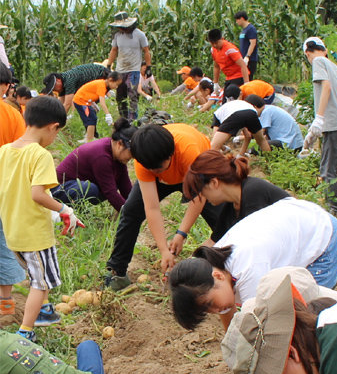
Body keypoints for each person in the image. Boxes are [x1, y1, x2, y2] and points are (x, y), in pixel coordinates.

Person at [169, 196, 337, 330]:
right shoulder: (213, 266)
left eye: (211, 304)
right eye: (209, 311)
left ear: (217, 276)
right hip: (296, 222)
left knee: (308, 318)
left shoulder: (248, 271)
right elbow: (229, 320)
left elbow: (263, 331)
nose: (216, 310)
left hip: (323, 237)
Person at [0, 96, 83, 341]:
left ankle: (44, 309)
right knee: (41, 281)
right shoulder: (40, 155)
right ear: (53, 127)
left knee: (38, 274)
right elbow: (38, 194)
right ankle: (27, 330)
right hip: (34, 233)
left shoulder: (4, 151)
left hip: (12, 231)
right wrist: (63, 209)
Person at [104, 123, 221, 289]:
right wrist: (164, 250)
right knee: (131, 211)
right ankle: (117, 271)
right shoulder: (144, 160)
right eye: (152, 169)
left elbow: (199, 197)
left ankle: (224, 269)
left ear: (170, 155)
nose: (156, 173)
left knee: (223, 221)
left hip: (193, 169)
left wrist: (181, 233)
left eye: (159, 168)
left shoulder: (189, 151)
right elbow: (151, 207)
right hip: (169, 167)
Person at [175, 150, 288, 254]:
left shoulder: (253, 191)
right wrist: (188, 265)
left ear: (214, 183)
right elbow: (214, 242)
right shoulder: (231, 205)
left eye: (202, 192)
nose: (203, 197)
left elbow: (251, 246)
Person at [51, 117, 136, 212]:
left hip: (76, 187)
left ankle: (78, 211)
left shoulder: (117, 155)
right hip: (59, 190)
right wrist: (129, 215)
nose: (132, 157)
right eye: (131, 152)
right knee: (91, 188)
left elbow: (125, 186)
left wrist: (137, 206)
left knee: (112, 183)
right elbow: (110, 192)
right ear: (120, 144)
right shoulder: (101, 156)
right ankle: (71, 213)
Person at [303, 36, 337, 215]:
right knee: (330, 167)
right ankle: (335, 208)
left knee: (329, 171)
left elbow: (326, 87)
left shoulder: (318, 61)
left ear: (307, 53)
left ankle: (336, 211)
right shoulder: (333, 65)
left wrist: (319, 118)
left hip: (333, 123)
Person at [0, 62, 26, 317]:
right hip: (4, 190)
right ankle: (5, 305)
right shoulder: (12, 115)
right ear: (8, 86)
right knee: (3, 245)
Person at [106, 11, 152, 121]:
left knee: (133, 95)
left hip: (134, 70)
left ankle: (132, 120)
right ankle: (123, 119)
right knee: (120, 96)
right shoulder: (117, 36)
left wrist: (149, 67)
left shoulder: (139, 35)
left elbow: (146, 51)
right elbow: (114, 50)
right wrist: (108, 65)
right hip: (120, 70)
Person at [210, 85, 270, 153]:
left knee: (213, 148)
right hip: (251, 113)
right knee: (261, 140)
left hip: (236, 114)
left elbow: (215, 137)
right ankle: (269, 159)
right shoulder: (239, 105)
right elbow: (248, 136)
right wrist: (241, 154)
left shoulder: (218, 113)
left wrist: (224, 148)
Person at [72, 71, 121, 142]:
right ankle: (89, 140)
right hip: (81, 101)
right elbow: (102, 102)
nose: (116, 87)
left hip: (86, 101)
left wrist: (92, 103)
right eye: (116, 84)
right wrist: (108, 114)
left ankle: (90, 136)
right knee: (91, 119)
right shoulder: (102, 85)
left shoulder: (103, 84)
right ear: (110, 80)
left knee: (92, 116)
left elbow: (90, 92)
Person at [41, 62, 109, 111]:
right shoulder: (63, 83)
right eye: (53, 89)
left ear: (58, 80)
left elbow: (67, 104)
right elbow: (60, 103)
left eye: (54, 87)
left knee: (83, 103)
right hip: (90, 82)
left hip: (102, 75)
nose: (55, 90)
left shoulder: (69, 80)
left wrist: (59, 120)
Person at [207, 28, 249, 102]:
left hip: (239, 76)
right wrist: (215, 83)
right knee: (225, 102)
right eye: (212, 43)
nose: (215, 45)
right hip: (229, 77)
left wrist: (246, 84)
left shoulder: (230, 50)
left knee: (234, 101)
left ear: (222, 39)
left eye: (216, 43)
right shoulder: (213, 50)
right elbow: (216, 66)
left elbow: (243, 65)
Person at [234, 12, 258, 80]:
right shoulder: (244, 30)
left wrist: (248, 56)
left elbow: (253, 43)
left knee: (248, 79)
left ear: (241, 18)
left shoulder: (251, 29)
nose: (236, 22)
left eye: (237, 20)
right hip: (243, 59)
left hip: (250, 59)